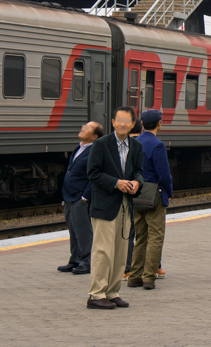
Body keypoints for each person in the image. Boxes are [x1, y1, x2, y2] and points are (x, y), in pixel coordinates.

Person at [85, 107, 143, 310]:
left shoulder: (136, 146)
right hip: (104, 207)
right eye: (119, 121)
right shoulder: (100, 144)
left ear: (133, 124)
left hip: (125, 206)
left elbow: (139, 172)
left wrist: (137, 182)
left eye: (127, 121)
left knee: (120, 251)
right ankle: (96, 294)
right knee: (102, 251)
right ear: (113, 122)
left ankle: (112, 292)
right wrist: (115, 183)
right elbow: (92, 173)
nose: (123, 124)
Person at [127, 110, 172, 290]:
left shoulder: (134, 143)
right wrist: (168, 193)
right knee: (155, 237)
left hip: (137, 194)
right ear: (159, 123)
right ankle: (148, 277)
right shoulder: (157, 145)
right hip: (154, 195)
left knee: (140, 237)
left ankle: (134, 276)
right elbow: (164, 174)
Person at [59, 121, 103, 276]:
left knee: (84, 231)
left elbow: (94, 176)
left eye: (88, 128)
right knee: (73, 229)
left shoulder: (94, 151)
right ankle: (75, 260)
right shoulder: (79, 147)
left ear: (95, 136)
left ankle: (87, 262)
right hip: (70, 196)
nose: (83, 128)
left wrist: (85, 197)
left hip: (80, 198)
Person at [123, 119, 144, 281]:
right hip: (146, 195)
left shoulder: (123, 146)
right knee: (148, 233)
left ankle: (127, 268)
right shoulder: (149, 144)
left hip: (126, 195)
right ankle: (155, 266)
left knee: (128, 233)